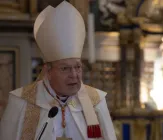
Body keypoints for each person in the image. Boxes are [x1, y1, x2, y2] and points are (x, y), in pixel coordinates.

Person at [0, 1, 117, 140]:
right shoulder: (21, 102)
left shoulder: (96, 101)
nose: (74, 75)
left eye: (77, 67)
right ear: (48, 71)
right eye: (65, 68)